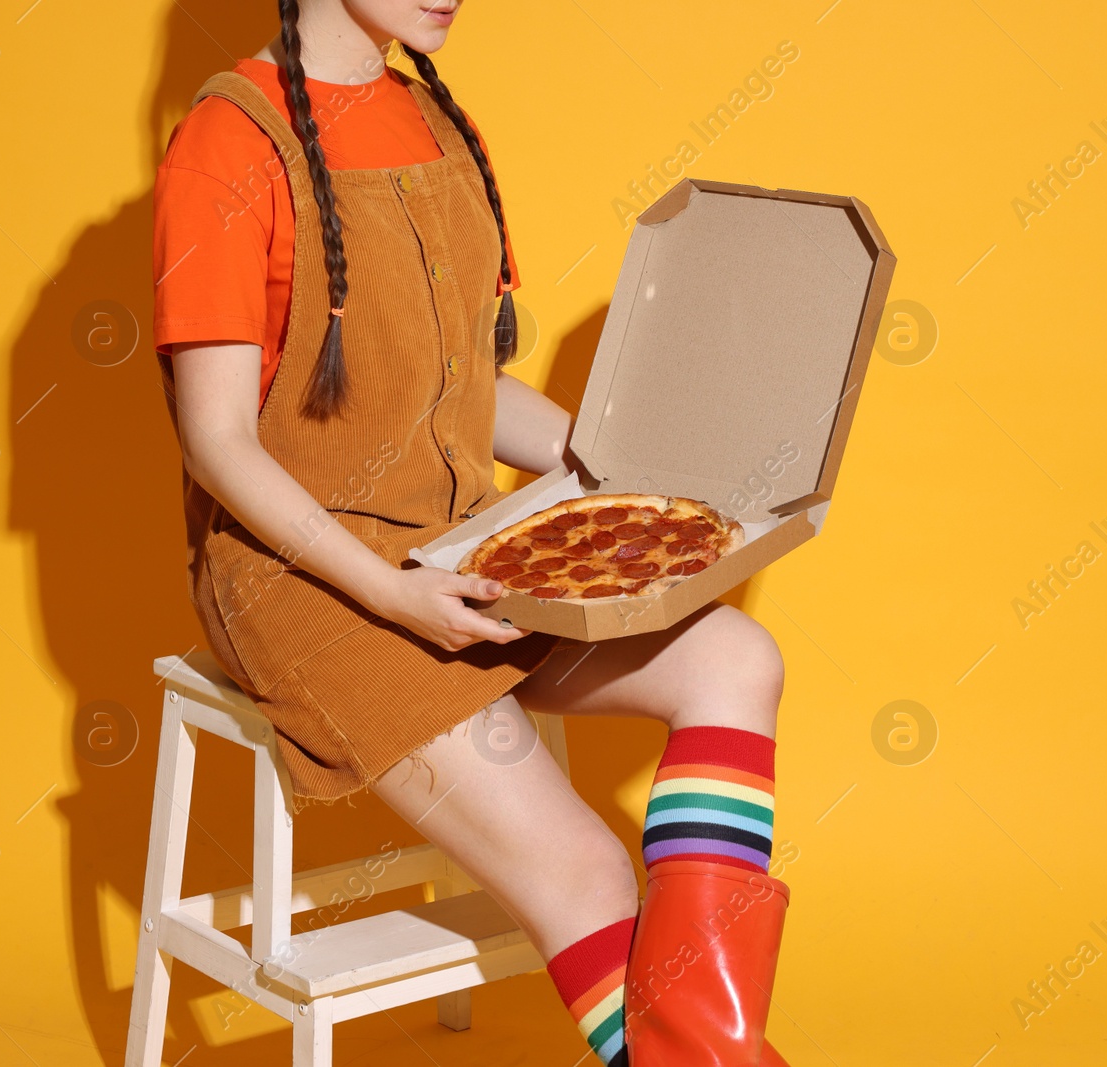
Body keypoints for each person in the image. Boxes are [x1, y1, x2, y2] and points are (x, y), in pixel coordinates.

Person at [152, 1, 794, 1062]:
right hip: (307, 580)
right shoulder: (226, 142)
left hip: (457, 542)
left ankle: (701, 1048)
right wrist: (390, 590)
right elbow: (217, 442)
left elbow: (461, 396)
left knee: (735, 656)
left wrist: (612, 465)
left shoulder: (439, 124)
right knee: (585, 866)